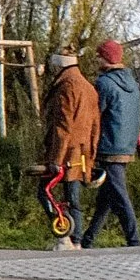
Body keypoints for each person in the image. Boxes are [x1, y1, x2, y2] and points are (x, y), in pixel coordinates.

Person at [77, 38, 140, 246]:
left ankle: (134, 241)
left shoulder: (104, 83)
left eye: (99, 55)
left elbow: (95, 115)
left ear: (105, 58)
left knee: (119, 194)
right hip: (126, 145)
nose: (97, 59)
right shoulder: (133, 84)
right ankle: (87, 240)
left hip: (108, 145)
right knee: (106, 197)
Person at [38, 45, 99, 240]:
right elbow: (96, 125)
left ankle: (67, 234)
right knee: (73, 198)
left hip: (66, 152)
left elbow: (63, 126)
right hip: (82, 151)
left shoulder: (66, 87)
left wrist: (56, 158)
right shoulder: (88, 87)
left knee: (45, 192)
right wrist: (92, 153)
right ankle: (76, 238)